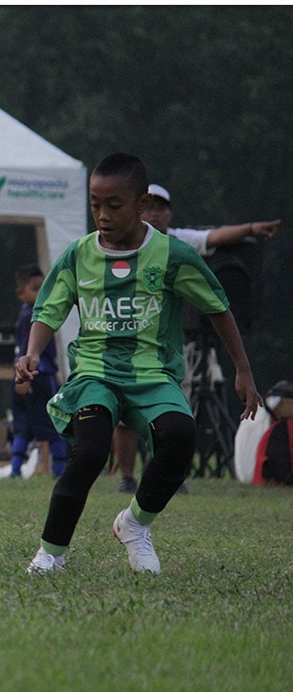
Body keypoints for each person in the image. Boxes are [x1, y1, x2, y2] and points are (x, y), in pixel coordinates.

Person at [18, 153, 261, 575]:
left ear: (142, 204)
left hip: (153, 374)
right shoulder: (78, 255)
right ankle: (50, 555)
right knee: (90, 450)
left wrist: (242, 369)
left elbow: (218, 307)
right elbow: (49, 309)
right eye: (95, 204)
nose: (102, 215)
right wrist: (33, 352)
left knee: (181, 436)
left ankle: (134, 524)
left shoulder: (172, 255)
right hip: (94, 372)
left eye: (114, 205)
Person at [112, 183, 281, 493]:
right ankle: (127, 477)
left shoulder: (179, 241)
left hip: (173, 346)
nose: (155, 214)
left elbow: (217, 236)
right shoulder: (119, 246)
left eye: (162, 208)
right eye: (150, 207)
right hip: (129, 344)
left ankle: (168, 475)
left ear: (169, 214)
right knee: (126, 413)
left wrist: (252, 228)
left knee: (174, 411)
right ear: (138, 209)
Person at [7, 263, 67, 478]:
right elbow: (26, 350)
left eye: (45, 288)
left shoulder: (27, 314)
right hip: (37, 375)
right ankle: (60, 471)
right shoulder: (34, 317)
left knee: (25, 426)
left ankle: (16, 469)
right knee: (55, 423)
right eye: (35, 288)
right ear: (21, 293)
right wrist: (24, 379)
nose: (42, 293)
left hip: (29, 375)